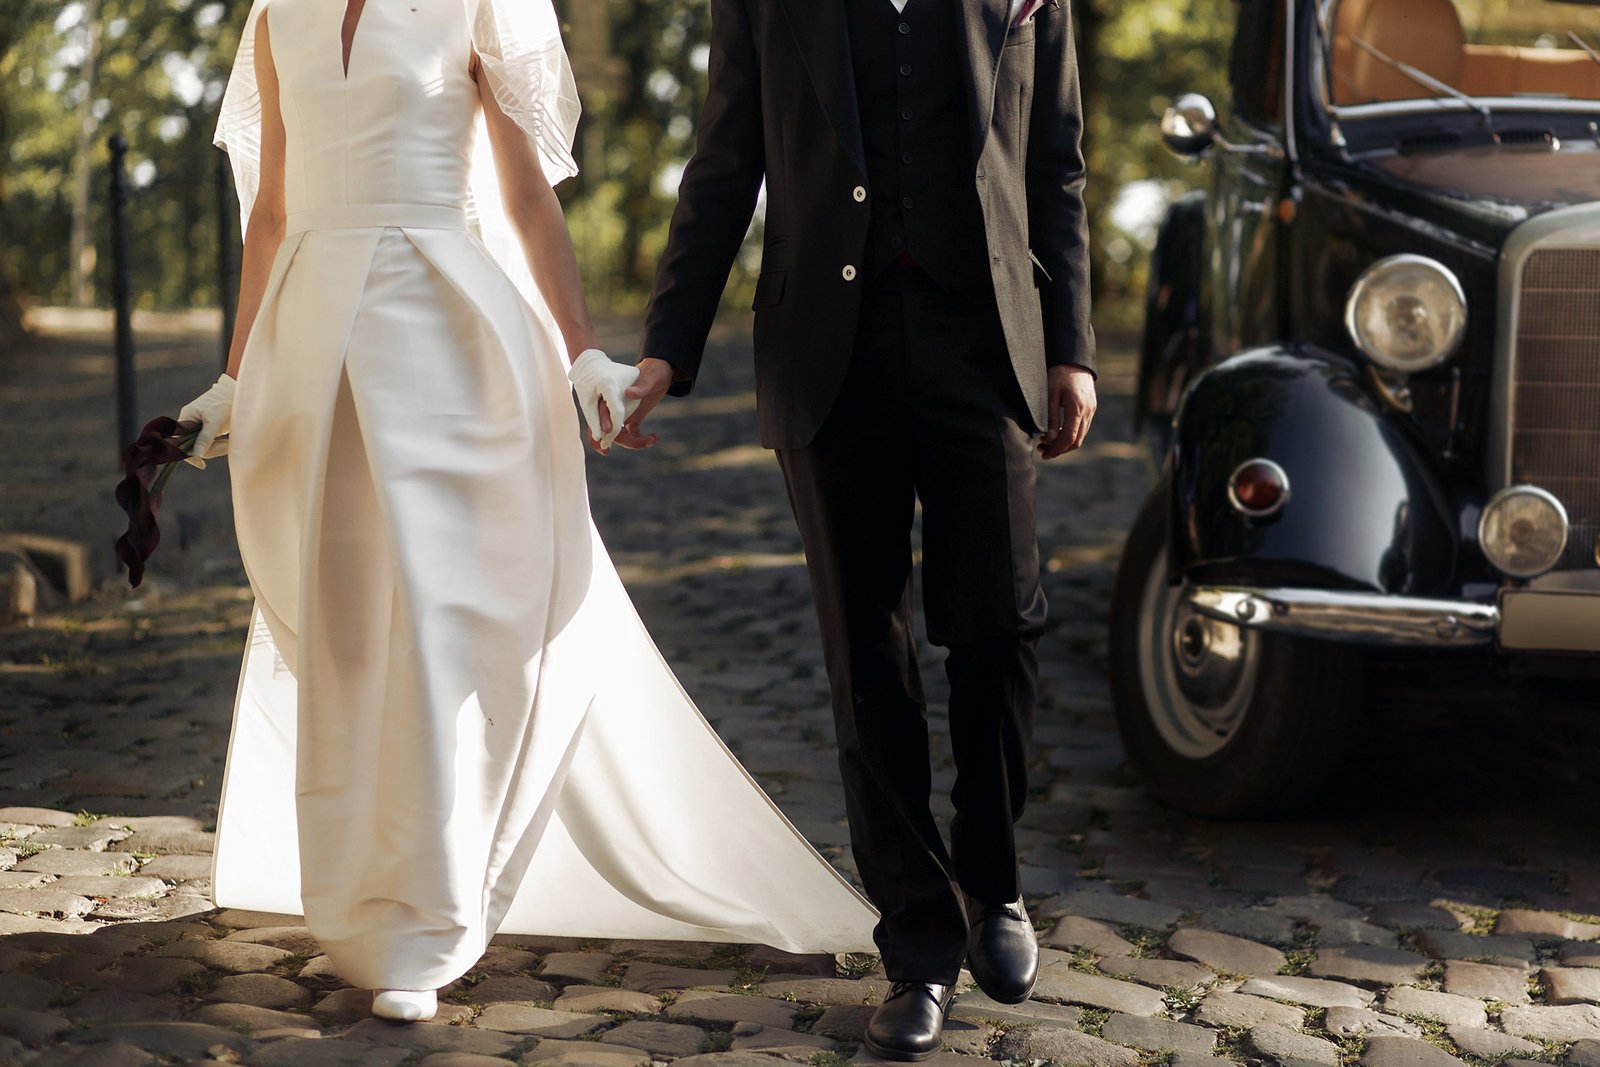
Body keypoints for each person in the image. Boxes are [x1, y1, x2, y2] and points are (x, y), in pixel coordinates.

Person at [181, 0, 877, 1023]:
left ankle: (422, 918)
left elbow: (522, 191)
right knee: (341, 634)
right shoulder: (279, 10)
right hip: (308, 344)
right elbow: (272, 210)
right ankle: (353, 888)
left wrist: (582, 349)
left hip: (444, 335)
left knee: (433, 629)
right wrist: (236, 378)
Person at [625, 0, 1097, 1058]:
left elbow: (1054, 163)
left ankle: (991, 876)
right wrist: (669, 345)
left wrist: (1072, 346)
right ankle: (918, 946)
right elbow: (726, 156)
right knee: (864, 654)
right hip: (825, 350)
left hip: (984, 343)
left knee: (1000, 626)